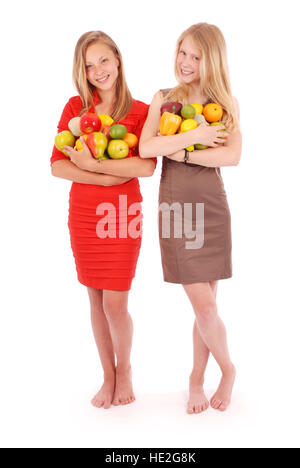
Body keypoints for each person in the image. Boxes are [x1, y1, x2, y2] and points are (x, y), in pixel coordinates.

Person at [51, 31, 156, 409]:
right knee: (95, 299)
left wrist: (91, 163)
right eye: (89, 65)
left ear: (118, 59)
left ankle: (124, 369)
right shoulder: (76, 110)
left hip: (121, 215)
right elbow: (57, 166)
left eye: (103, 61)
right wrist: (107, 175)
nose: (98, 71)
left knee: (116, 304)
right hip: (84, 214)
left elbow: (145, 165)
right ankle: (107, 374)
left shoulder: (141, 111)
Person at [139, 23, 242, 414]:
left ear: (211, 60)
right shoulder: (163, 98)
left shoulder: (226, 103)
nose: (185, 62)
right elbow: (150, 146)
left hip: (212, 206)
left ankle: (198, 377)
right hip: (175, 207)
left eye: (195, 56)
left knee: (207, 307)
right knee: (205, 306)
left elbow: (231, 156)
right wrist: (192, 136)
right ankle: (228, 369)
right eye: (182, 52)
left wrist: (178, 151)